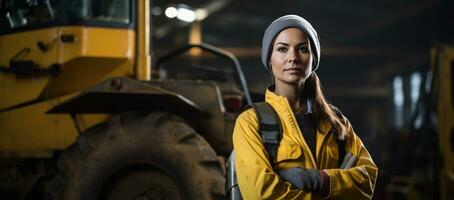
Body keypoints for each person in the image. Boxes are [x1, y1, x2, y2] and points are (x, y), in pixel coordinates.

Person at [232, 15, 378, 199]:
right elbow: (262, 194)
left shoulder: (335, 122)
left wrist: (322, 180)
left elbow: (368, 179)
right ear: (269, 59)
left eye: (302, 49)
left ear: (313, 60)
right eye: (282, 49)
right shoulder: (251, 123)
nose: (292, 57)